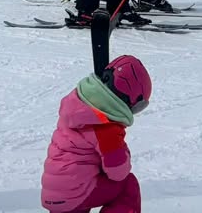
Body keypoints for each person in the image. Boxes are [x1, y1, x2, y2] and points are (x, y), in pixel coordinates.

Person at [41, 54, 153, 213]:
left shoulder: (80, 105)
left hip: (55, 191)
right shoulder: (105, 125)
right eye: (138, 107)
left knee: (87, 181)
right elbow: (118, 172)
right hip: (75, 193)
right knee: (128, 185)